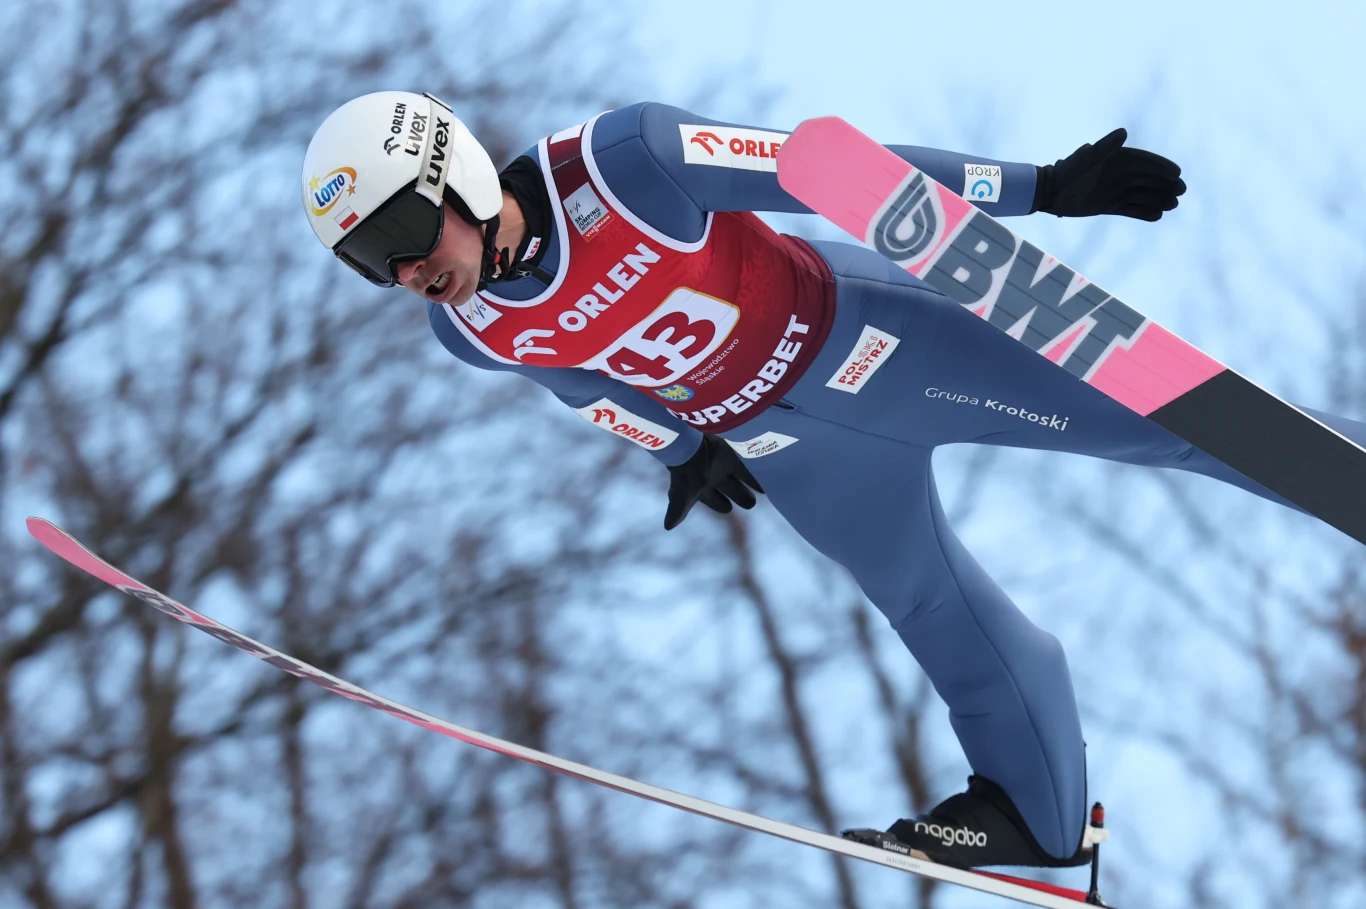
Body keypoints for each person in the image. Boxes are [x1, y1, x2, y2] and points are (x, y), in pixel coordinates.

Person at [301, 91, 1366, 869]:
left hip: (882, 343)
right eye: (368, 262)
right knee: (929, 604)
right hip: (786, 446)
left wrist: (1042, 189)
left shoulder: (625, 163)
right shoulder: (473, 330)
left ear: (459, 175)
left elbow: (828, 170)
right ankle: (1037, 815)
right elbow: (572, 380)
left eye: (400, 231)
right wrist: (675, 449)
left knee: (1165, 419)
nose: (404, 272)